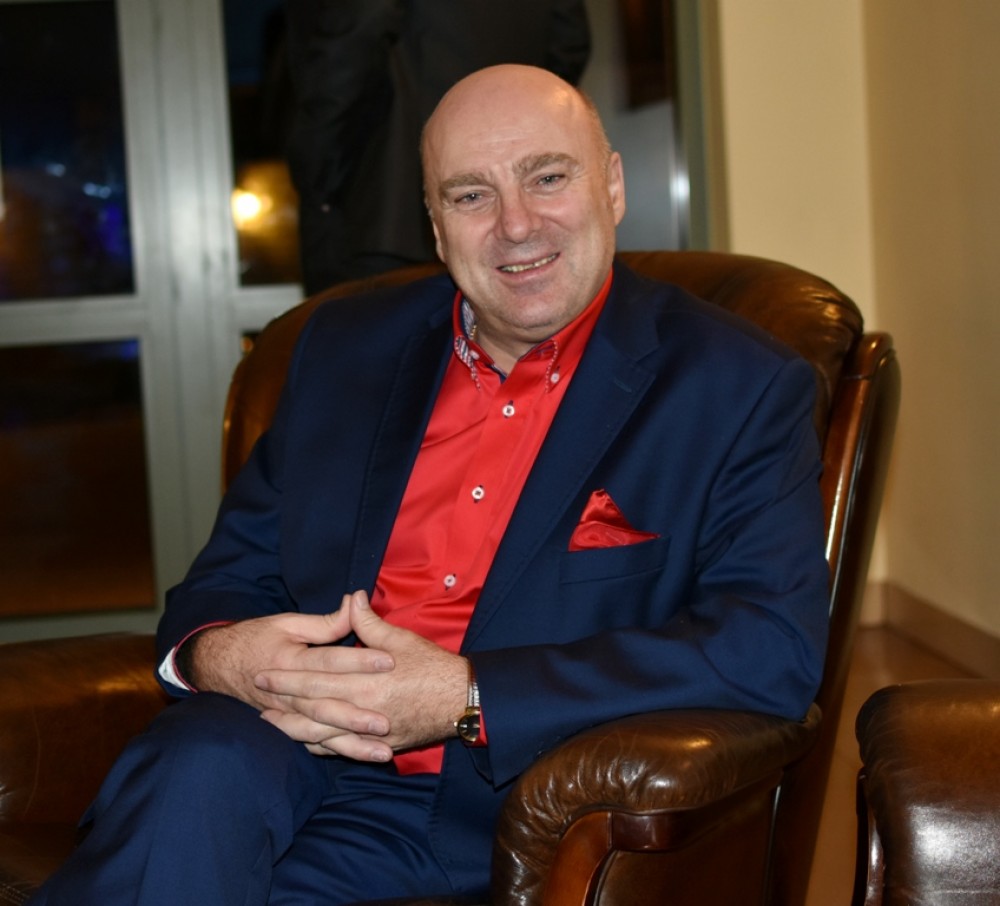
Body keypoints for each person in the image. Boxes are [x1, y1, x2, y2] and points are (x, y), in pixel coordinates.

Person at [30, 64, 830, 904]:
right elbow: (225, 579)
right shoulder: (343, 347)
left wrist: (469, 697)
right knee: (194, 766)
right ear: (436, 226)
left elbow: (768, 648)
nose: (516, 225)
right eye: (471, 195)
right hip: (274, 751)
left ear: (614, 185)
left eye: (547, 178)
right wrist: (223, 655)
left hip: (502, 806)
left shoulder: (737, 385)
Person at [283, 0, 591, 294]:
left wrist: (315, 168)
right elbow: (568, 41)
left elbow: (359, 28)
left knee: (364, 328)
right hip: (512, 214)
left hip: (380, 204)